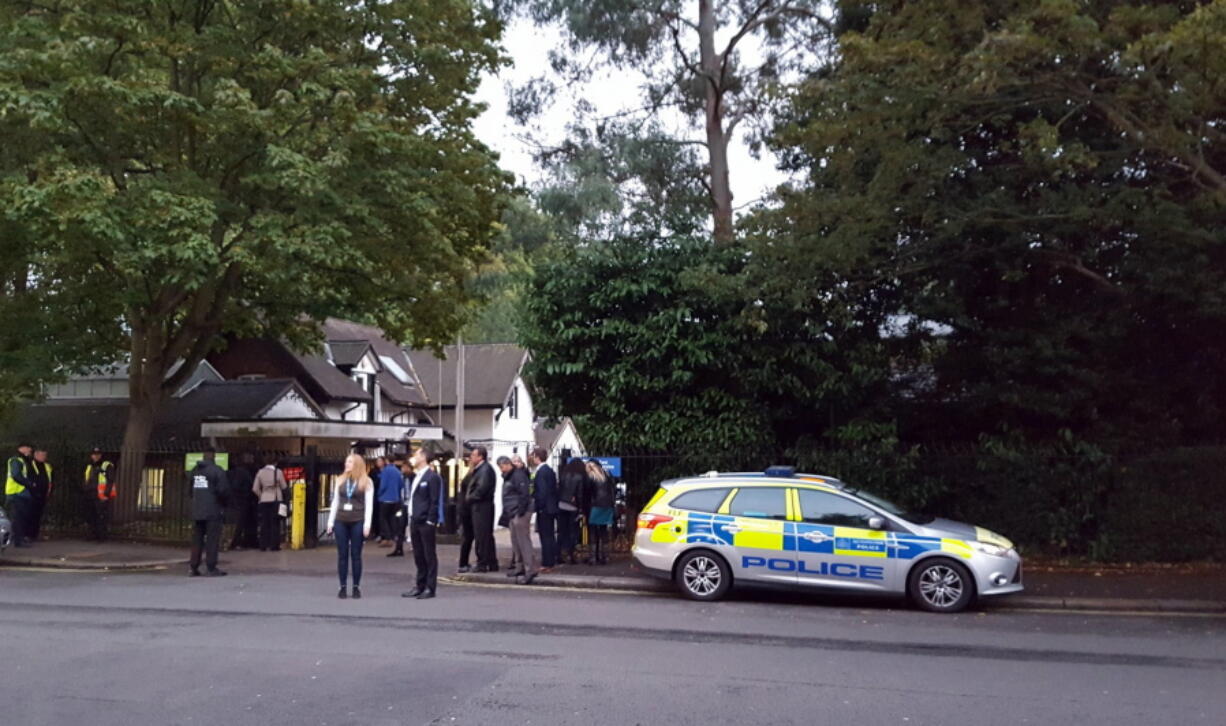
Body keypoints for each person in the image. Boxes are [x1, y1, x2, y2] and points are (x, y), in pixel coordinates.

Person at [326, 453, 373, 599]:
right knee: (342, 554)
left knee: (356, 555)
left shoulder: (366, 481)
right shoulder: (340, 480)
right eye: (346, 461)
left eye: (350, 462)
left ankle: (356, 586)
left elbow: (369, 504)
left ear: (357, 464)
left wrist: (367, 524)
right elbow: (335, 501)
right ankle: (342, 586)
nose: (346, 464)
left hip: (357, 519)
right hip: (341, 519)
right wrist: (330, 521)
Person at [402, 449, 442, 599]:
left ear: (424, 457)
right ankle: (420, 585)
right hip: (415, 520)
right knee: (418, 555)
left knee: (429, 555)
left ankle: (430, 588)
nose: (414, 457)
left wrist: (431, 520)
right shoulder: (417, 476)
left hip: (426, 521)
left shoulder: (432, 477)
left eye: (417, 455)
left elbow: (434, 501)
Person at [188, 447, 228, 577]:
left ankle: (194, 566)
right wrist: (223, 505)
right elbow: (223, 491)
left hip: (197, 509)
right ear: (214, 456)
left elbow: (189, 490)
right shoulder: (217, 471)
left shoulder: (195, 471)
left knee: (197, 539)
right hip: (213, 510)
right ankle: (211, 567)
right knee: (212, 539)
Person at [498, 456, 538, 584]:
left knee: (523, 541)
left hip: (520, 512)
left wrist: (519, 511)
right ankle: (519, 567)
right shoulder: (509, 476)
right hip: (513, 512)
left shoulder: (518, 475)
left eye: (501, 466)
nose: (501, 470)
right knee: (516, 541)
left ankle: (529, 569)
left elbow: (524, 494)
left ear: (507, 464)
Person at [464, 446, 498, 572]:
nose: (471, 457)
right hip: (481, 506)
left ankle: (482, 563)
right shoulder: (481, 469)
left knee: (482, 536)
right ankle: (491, 562)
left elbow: (481, 490)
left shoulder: (484, 470)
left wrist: (469, 498)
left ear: (480, 457)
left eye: (473, 455)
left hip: (482, 507)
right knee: (485, 536)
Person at [529, 448, 559, 572]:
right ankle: (551, 561)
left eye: (533, 456)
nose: (532, 458)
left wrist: (538, 507)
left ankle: (547, 563)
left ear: (537, 457)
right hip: (551, 507)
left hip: (545, 509)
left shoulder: (541, 472)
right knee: (550, 536)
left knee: (545, 537)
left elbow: (542, 492)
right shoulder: (550, 470)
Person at [252, 454, 287, 552]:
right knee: (275, 523)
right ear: (275, 462)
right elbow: (284, 486)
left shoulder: (260, 472)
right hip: (276, 500)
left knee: (264, 523)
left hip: (264, 500)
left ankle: (263, 545)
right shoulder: (278, 472)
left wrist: (261, 495)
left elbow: (255, 488)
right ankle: (274, 545)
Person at [5, 443, 36, 548]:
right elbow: (16, 475)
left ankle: (19, 538)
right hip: (16, 492)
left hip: (21, 493)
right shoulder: (16, 460)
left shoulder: (22, 460)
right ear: (21, 448)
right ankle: (18, 541)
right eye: (28, 448)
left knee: (21, 517)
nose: (29, 451)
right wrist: (29, 483)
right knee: (17, 518)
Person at [556, 457, 586, 565]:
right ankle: (571, 555)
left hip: (561, 504)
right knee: (573, 532)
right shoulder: (580, 477)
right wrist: (581, 507)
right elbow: (580, 494)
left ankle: (558, 554)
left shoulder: (564, 475)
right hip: (572, 507)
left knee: (561, 531)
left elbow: (559, 489)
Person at [82, 447, 116, 541]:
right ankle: (92, 535)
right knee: (91, 516)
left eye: (97, 454)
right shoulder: (89, 466)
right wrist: (85, 490)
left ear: (101, 455)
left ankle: (101, 536)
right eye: (94, 454)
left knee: (101, 516)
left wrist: (106, 494)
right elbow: (85, 479)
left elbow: (110, 480)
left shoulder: (106, 465)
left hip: (101, 495)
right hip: (90, 494)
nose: (95, 456)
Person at [585, 461, 615, 565]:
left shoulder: (590, 477)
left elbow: (587, 494)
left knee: (593, 531)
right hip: (607, 505)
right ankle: (605, 557)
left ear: (590, 468)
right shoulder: (606, 474)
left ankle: (593, 558)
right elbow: (612, 489)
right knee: (604, 530)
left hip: (595, 506)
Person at [227, 452, 258, 551]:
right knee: (241, 522)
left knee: (235, 522)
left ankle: (235, 542)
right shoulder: (244, 472)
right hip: (243, 500)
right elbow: (250, 485)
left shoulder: (229, 473)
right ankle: (237, 541)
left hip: (233, 500)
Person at [378, 454, 407, 556]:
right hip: (396, 499)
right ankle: (394, 535)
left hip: (385, 498)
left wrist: (379, 494)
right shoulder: (398, 471)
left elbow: (383, 485)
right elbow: (401, 485)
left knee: (383, 518)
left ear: (386, 460)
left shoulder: (386, 471)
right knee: (392, 518)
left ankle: (388, 537)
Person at [28, 448, 53, 542]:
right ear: (36, 455)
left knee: (38, 515)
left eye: (45, 455)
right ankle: (28, 534)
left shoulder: (47, 466)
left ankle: (34, 535)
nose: (44, 457)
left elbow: (50, 479)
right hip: (33, 494)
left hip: (43, 494)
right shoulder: (31, 465)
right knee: (30, 515)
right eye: (42, 455)